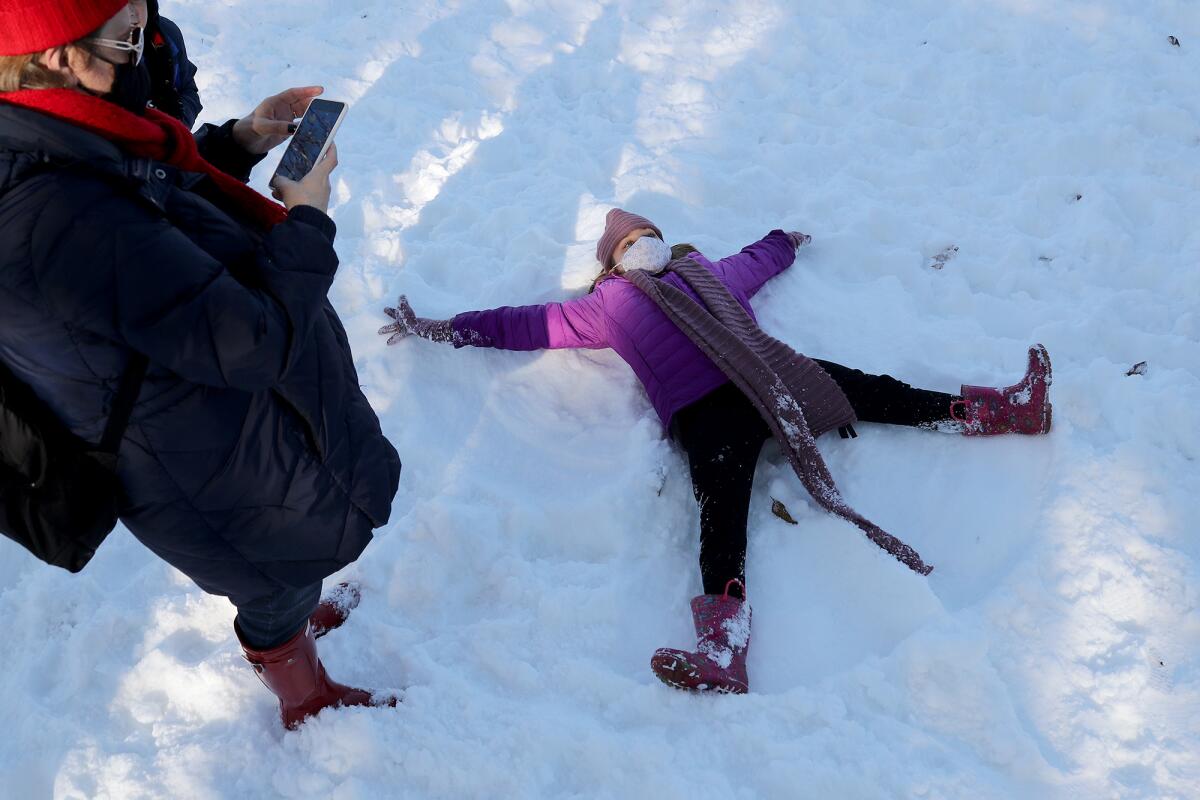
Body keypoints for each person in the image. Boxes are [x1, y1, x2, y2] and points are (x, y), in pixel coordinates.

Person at [379, 208, 1052, 694]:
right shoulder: (605, 306)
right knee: (721, 517)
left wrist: (782, 240)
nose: (644, 246)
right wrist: (442, 328)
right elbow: (523, 325)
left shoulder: (705, 273)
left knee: (873, 390)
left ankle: (998, 412)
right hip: (706, 416)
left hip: (769, 373)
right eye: (631, 242)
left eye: (649, 236)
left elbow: (755, 263)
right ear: (611, 264)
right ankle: (722, 650)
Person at [0, 0, 401, 729]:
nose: (142, 52)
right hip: (206, 464)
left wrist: (238, 141)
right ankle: (300, 686)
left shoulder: (59, 132)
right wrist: (308, 217)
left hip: (215, 428)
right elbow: (253, 342)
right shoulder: (53, 214)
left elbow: (150, 206)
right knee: (273, 577)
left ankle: (296, 608)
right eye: (126, 37)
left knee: (290, 566)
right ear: (55, 56)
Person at [130, 0, 202, 126]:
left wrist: (177, 122)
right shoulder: (91, 50)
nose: (128, 12)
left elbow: (187, 88)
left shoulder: (166, 34)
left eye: (134, 2)